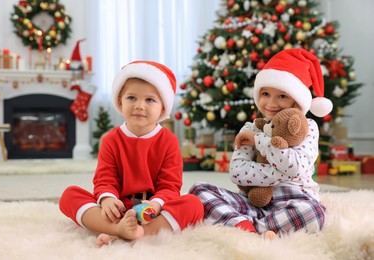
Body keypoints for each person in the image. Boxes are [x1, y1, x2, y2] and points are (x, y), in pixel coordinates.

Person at [189, 48, 333, 239]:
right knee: (198, 191)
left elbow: (296, 168)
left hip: (295, 202)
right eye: (265, 93)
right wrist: (282, 172)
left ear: (297, 100)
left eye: (282, 96)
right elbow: (238, 172)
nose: (271, 103)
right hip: (254, 203)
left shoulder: (307, 127)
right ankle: (254, 227)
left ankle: (244, 226)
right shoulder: (251, 127)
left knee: (314, 212)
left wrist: (260, 141)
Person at [59, 60, 204, 247]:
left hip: (153, 211)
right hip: (117, 210)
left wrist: (156, 204)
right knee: (69, 195)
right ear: (120, 101)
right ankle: (118, 229)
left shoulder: (169, 141)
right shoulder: (111, 139)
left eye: (150, 100)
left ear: (162, 107)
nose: (139, 106)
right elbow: (105, 179)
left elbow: (170, 185)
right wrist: (108, 199)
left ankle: (140, 232)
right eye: (131, 98)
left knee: (193, 204)